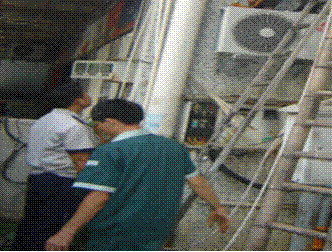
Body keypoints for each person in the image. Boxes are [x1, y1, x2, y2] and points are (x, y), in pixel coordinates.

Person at [45, 99, 230, 251]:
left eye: (97, 123)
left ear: (110, 122)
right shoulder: (175, 147)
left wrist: (66, 232)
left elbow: (99, 196)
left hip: (115, 235)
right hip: (157, 233)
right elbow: (197, 182)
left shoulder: (111, 151)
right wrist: (218, 207)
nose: (97, 128)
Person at [12, 81, 95, 251]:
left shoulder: (45, 120)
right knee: (51, 227)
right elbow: (81, 161)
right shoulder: (73, 125)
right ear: (78, 100)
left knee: (31, 223)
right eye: (85, 94)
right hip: (60, 181)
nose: (89, 97)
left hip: (38, 178)